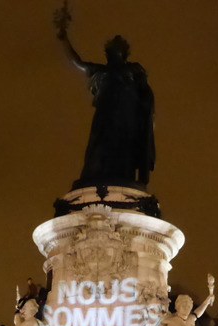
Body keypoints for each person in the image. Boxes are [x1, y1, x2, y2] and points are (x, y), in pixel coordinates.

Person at [55, 6, 155, 190]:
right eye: (111, 51)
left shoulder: (134, 70)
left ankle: (124, 178)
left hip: (127, 117)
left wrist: (144, 114)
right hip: (107, 115)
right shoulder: (102, 71)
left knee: (125, 148)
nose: (112, 53)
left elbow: (146, 97)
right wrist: (64, 39)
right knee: (100, 145)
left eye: (116, 50)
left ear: (123, 54)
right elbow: (77, 62)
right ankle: (97, 176)